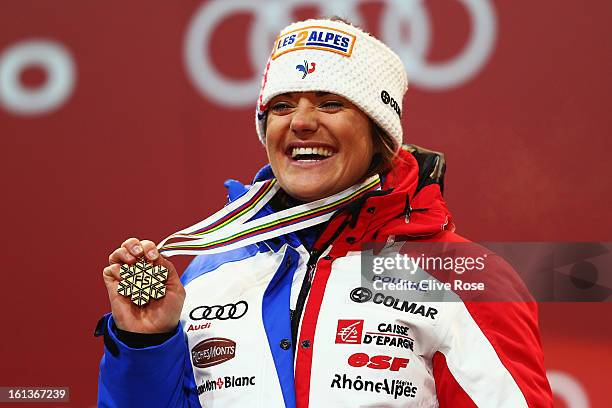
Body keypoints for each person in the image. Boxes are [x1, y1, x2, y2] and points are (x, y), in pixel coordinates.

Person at [96, 18, 553, 407]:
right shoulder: (209, 273)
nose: (301, 122)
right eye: (281, 106)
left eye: (331, 103)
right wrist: (145, 344)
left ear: (379, 133)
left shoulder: (462, 277)